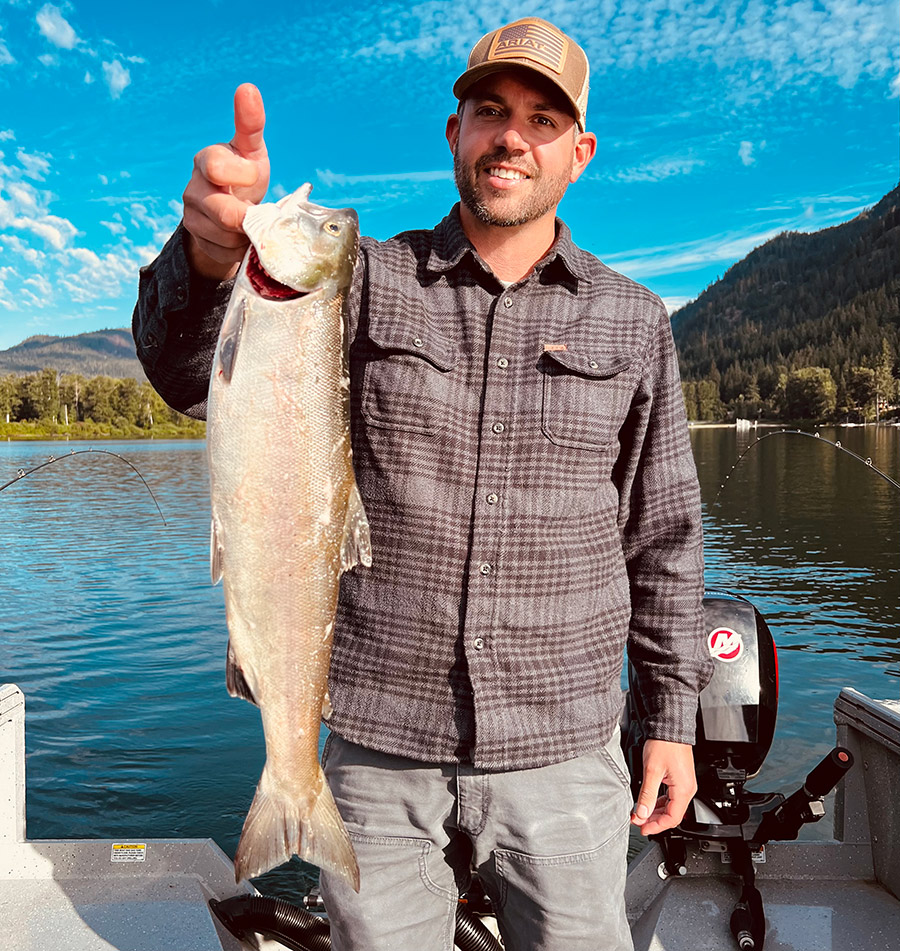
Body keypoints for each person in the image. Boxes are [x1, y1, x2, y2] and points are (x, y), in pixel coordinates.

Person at [133, 16, 712, 951]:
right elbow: (185, 371)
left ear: (580, 151)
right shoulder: (356, 278)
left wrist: (671, 719)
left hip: (564, 745)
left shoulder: (636, 320)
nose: (512, 135)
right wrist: (206, 258)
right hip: (374, 745)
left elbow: (665, 539)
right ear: (456, 133)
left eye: (542, 119)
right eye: (490, 110)